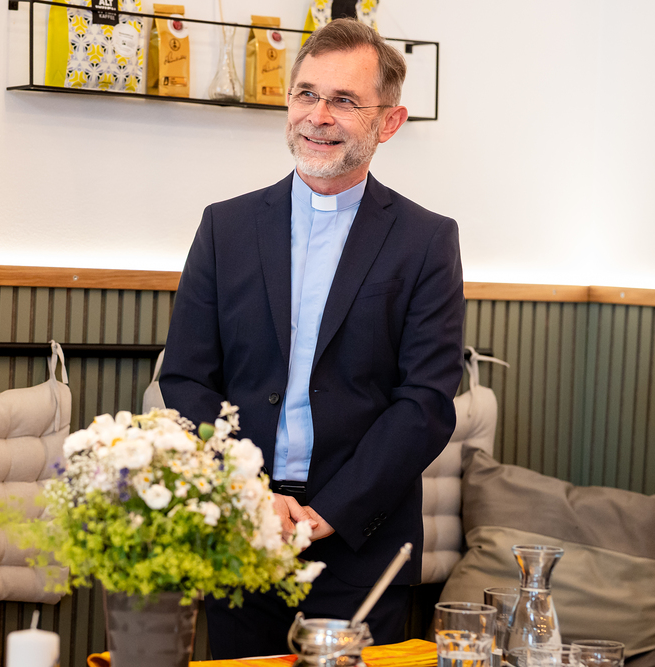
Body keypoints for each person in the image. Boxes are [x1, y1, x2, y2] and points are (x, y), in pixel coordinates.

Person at [159, 18, 465, 657]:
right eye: (306, 94)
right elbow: (186, 377)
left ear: (389, 122)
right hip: (240, 530)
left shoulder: (426, 241)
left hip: (361, 541)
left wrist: (333, 511)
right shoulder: (225, 227)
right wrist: (249, 493)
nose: (318, 116)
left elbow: (425, 402)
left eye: (344, 100)